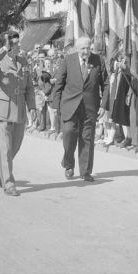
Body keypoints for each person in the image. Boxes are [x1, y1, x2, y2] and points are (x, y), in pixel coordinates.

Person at [0, 31, 36, 196]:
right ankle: (8, 183)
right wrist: (3, 49)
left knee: (16, 145)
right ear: (8, 45)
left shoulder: (23, 60)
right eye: (15, 43)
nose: (18, 45)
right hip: (1, 110)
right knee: (5, 148)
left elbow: (29, 87)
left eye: (17, 42)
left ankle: (2, 169)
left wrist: (32, 107)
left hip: (19, 108)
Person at [52, 36, 109, 182]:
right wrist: (55, 106)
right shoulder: (68, 60)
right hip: (70, 104)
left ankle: (86, 171)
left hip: (90, 107)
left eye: (88, 48)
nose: (86, 51)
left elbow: (106, 84)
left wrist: (103, 106)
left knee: (87, 138)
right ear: (77, 49)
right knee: (69, 132)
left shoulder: (99, 60)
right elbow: (59, 84)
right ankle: (68, 164)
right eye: (83, 48)